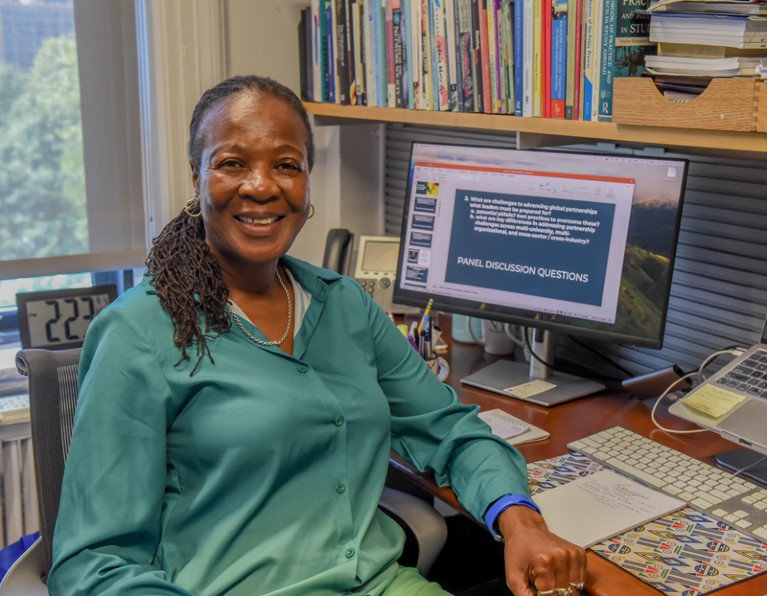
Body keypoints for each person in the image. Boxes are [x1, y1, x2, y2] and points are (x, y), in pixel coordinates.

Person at [48, 75, 587, 595]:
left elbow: (448, 430)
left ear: (307, 184)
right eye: (232, 163)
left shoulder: (344, 305)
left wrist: (520, 521)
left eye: (286, 165)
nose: (261, 186)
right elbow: (94, 565)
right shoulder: (137, 333)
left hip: (382, 584)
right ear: (197, 178)